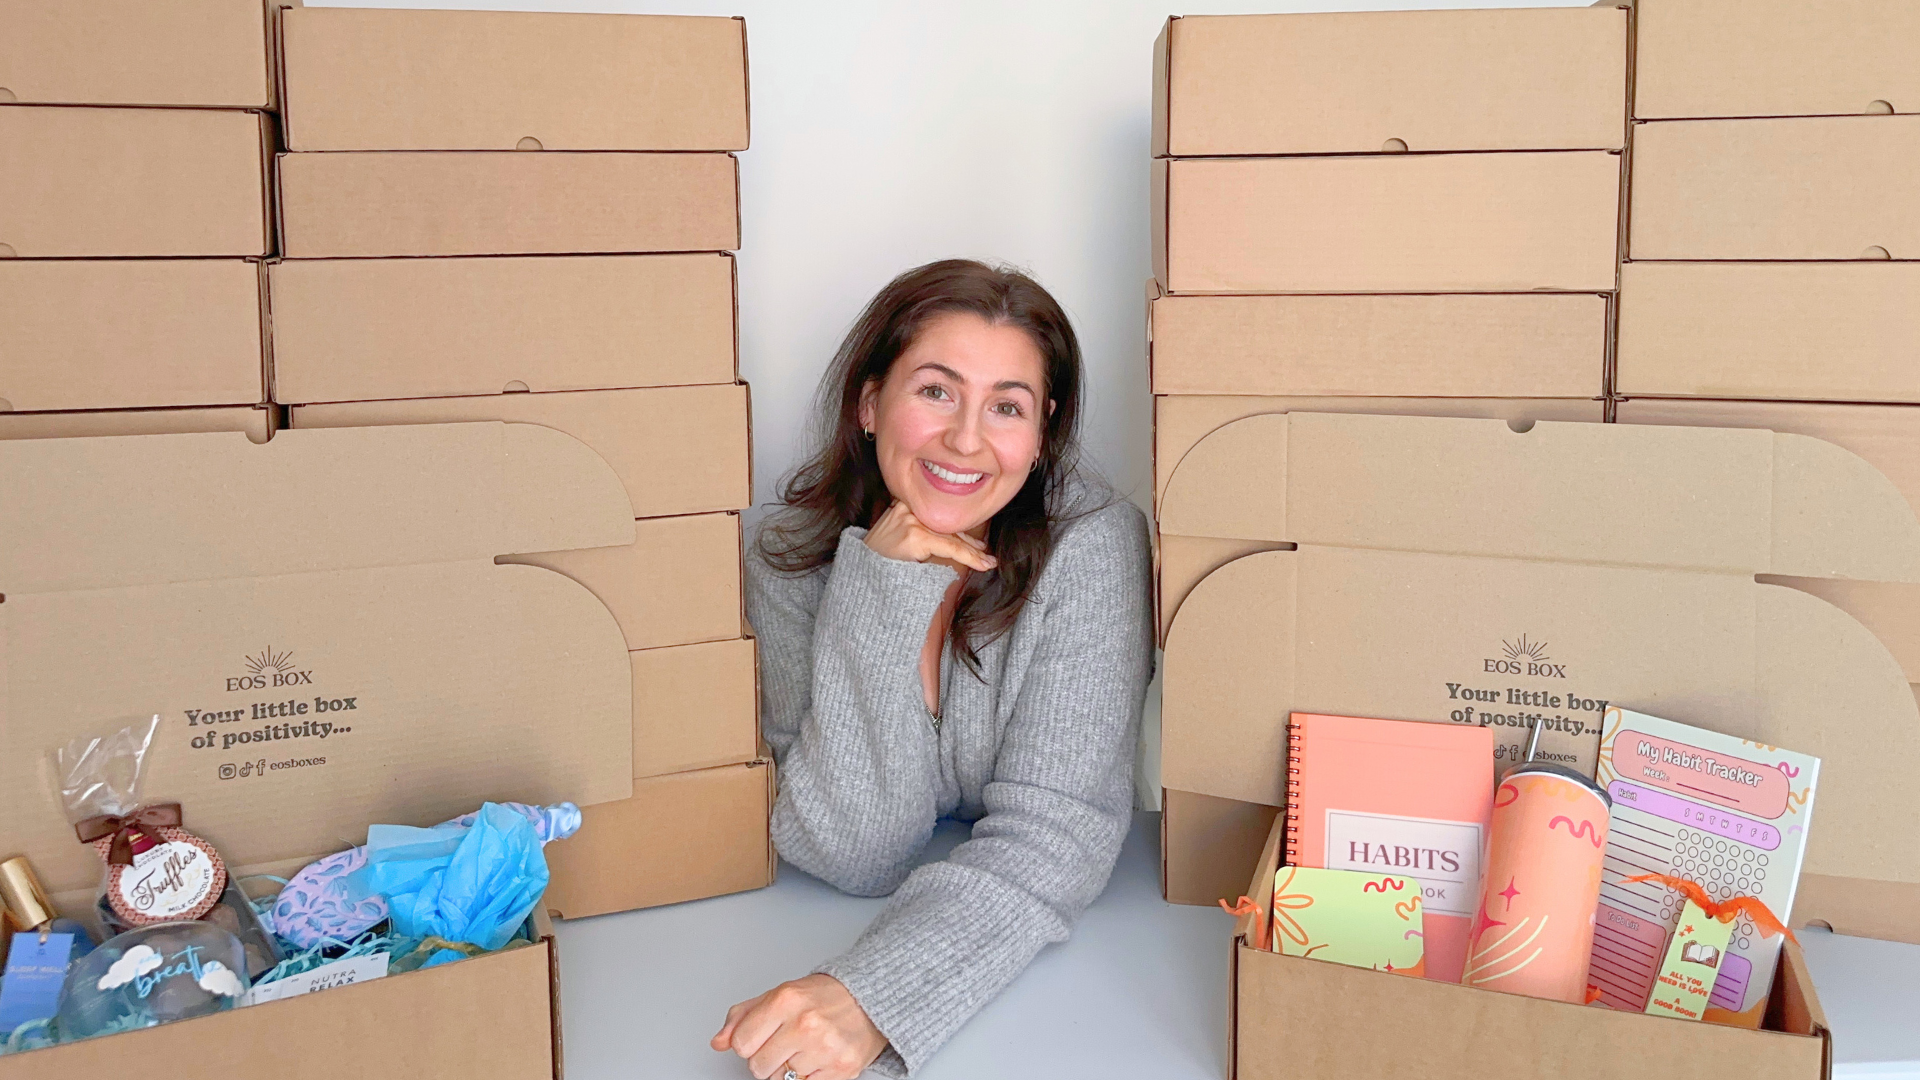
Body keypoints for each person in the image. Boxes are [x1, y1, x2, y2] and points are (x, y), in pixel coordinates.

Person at [711, 259, 1154, 1079]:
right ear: (871, 404)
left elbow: (1054, 837)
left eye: (1007, 407)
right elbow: (851, 853)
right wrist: (880, 591)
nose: (967, 439)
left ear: (1044, 431)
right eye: (937, 391)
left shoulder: (1095, 548)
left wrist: (869, 998)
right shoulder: (788, 560)